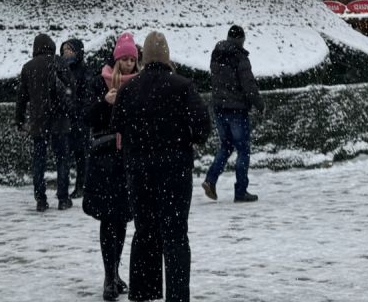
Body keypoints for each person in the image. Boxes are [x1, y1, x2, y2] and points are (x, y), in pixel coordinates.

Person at [113, 32, 209, 302]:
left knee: (145, 231)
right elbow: (202, 127)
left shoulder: (129, 89)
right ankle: (177, 296)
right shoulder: (182, 86)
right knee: (176, 235)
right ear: (167, 57)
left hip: (139, 172)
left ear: (144, 58)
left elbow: (117, 123)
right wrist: (184, 139)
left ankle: (143, 293)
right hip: (175, 172)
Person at [84, 33, 138, 301]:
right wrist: (105, 103)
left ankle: (116, 272)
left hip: (127, 158)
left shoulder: (138, 83)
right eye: (124, 59)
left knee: (123, 218)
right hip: (105, 160)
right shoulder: (100, 81)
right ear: (116, 60)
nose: (129, 64)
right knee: (108, 219)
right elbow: (87, 117)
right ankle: (109, 276)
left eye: (132, 60)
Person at [202, 24, 261, 203]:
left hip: (219, 108)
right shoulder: (240, 57)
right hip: (237, 110)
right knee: (243, 150)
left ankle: (210, 180)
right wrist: (259, 104)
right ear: (241, 40)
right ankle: (241, 191)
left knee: (226, 146)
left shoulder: (217, 54)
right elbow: (249, 85)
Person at [15, 33, 72, 212]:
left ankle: (40, 199)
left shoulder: (28, 67)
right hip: (59, 120)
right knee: (62, 159)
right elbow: (70, 88)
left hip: (39, 121)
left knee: (39, 161)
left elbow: (21, 98)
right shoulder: (59, 63)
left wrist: (19, 120)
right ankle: (63, 198)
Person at [60, 38, 91, 199]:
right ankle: (64, 188)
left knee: (81, 155)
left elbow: (86, 96)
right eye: (64, 50)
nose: (66, 53)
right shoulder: (61, 70)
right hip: (65, 119)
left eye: (70, 50)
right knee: (64, 155)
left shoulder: (84, 71)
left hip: (79, 119)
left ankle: (81, 186)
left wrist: (77, 111)